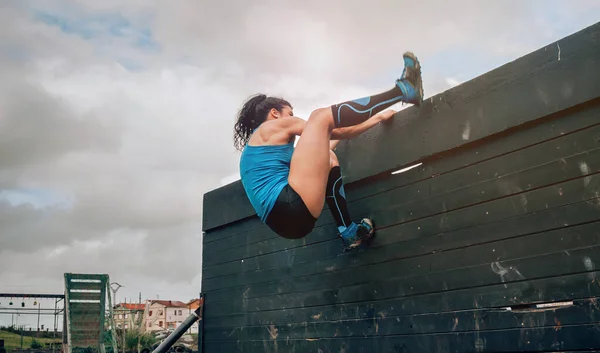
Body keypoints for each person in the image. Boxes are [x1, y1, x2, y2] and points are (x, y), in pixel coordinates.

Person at [234, 52, 423, 250]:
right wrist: (374, 119)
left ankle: (349, 232)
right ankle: (402, 90)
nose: (293, 117)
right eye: (290, 113)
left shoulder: (259, 152)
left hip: (288, 223)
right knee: (319, 116)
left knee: (330, 156)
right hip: (289, 204)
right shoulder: (269, 128)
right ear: (275, 113)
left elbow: (323, 150)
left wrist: (362, 125)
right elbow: (334, 128)